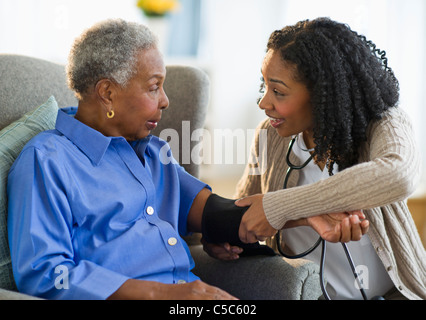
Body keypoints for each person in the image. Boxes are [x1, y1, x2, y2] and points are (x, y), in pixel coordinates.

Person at [7, 19, 367, 300]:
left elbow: (219, 214)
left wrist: (307, 214)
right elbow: (47, 273)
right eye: (153, 87)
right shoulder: (47, 161)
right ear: (107, 92)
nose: (165, 101)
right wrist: (171, 295)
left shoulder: (153, 153)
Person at [218, 18, 424, 300]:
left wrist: (280, 206)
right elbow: (248, 211)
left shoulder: (383, 122)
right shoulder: (268, 137)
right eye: (264, 86)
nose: (264, 103)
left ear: (322, 93)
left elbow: (398, 176)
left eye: (278, 91)